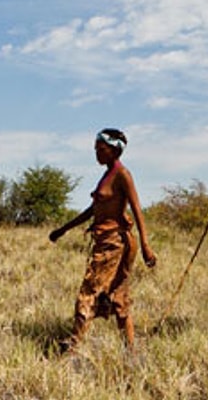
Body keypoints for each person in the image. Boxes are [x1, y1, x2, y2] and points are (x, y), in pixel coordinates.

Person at [49, 128, 157, 352]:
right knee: (118, 295)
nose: (97, 153)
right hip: (106, 241)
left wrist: (146, 246)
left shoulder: (122, 174)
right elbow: (92, 210)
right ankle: (130, 350)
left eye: (101, 149)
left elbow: (137, 210)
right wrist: (63, 229)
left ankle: (74, 344)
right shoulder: (107, 175)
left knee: (90, 291)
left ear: (114, 150)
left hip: (115, 243)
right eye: (95, 149)